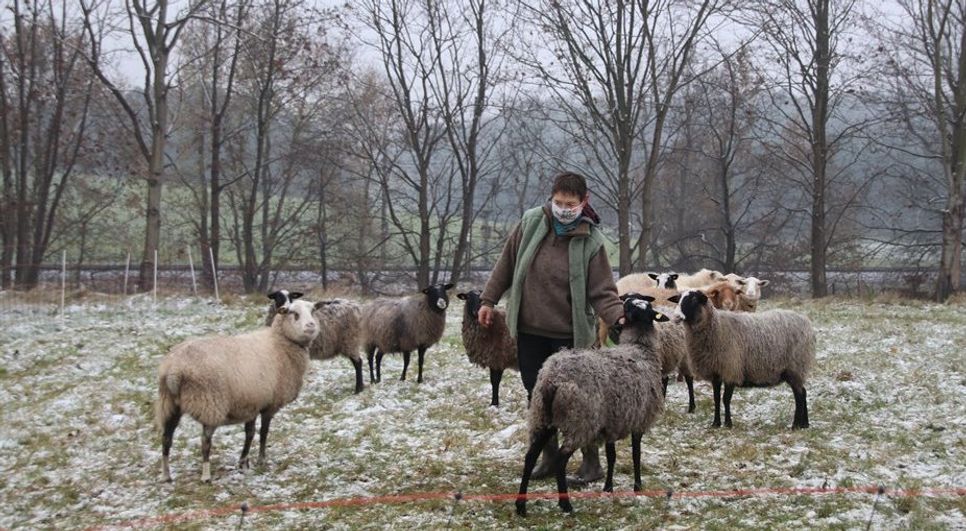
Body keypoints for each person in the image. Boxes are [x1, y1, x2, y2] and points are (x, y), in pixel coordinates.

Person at [478, 171, 625, 483]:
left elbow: (603, 292)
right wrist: (488, 300)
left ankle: (591, 465)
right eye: (558, 202)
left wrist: (620, 320)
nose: (562, 208)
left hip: (569, 338)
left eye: (569, 204)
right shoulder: (532, 223)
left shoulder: (591, 242)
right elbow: (506, 263)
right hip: (530, 331)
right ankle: (548, 460)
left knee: (578, 404)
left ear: (583, 202)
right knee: (539, 399)